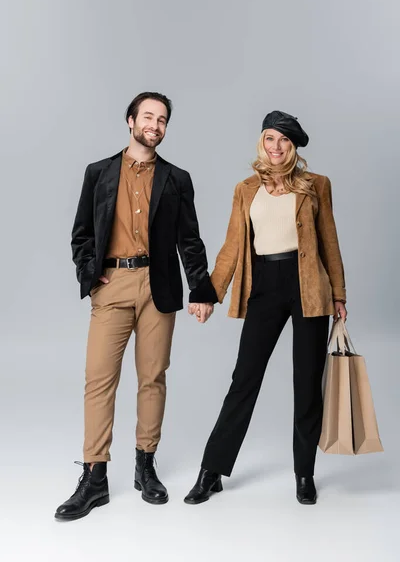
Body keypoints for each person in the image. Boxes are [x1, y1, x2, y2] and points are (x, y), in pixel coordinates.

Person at [55, 92, 216, 521]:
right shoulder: (99, 172)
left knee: (152, 377)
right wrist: (91, 276)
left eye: (162, 120)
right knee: (98, 380)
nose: (155, 125)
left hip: (158, 285)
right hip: (113, 284)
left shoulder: (177, 178)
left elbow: (190, 240)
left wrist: (201, 289)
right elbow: (82, 234)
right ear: (130, 121)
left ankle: (146, 466)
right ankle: (94, 478)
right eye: (148, 117)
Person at [185, 110, 347, 505]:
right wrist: (208, 293)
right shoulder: (245, 189)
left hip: (308, 286)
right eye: (271, 139)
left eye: (284, 141)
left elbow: (329, 242)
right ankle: (212, 471)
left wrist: (339, 295)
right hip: (264, 285)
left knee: (307, 384)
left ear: (293, 147)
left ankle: (304, 475)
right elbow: (231, 249)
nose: (276, 148)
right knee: (244, 380)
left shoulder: (315, 185)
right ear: (262, 141)